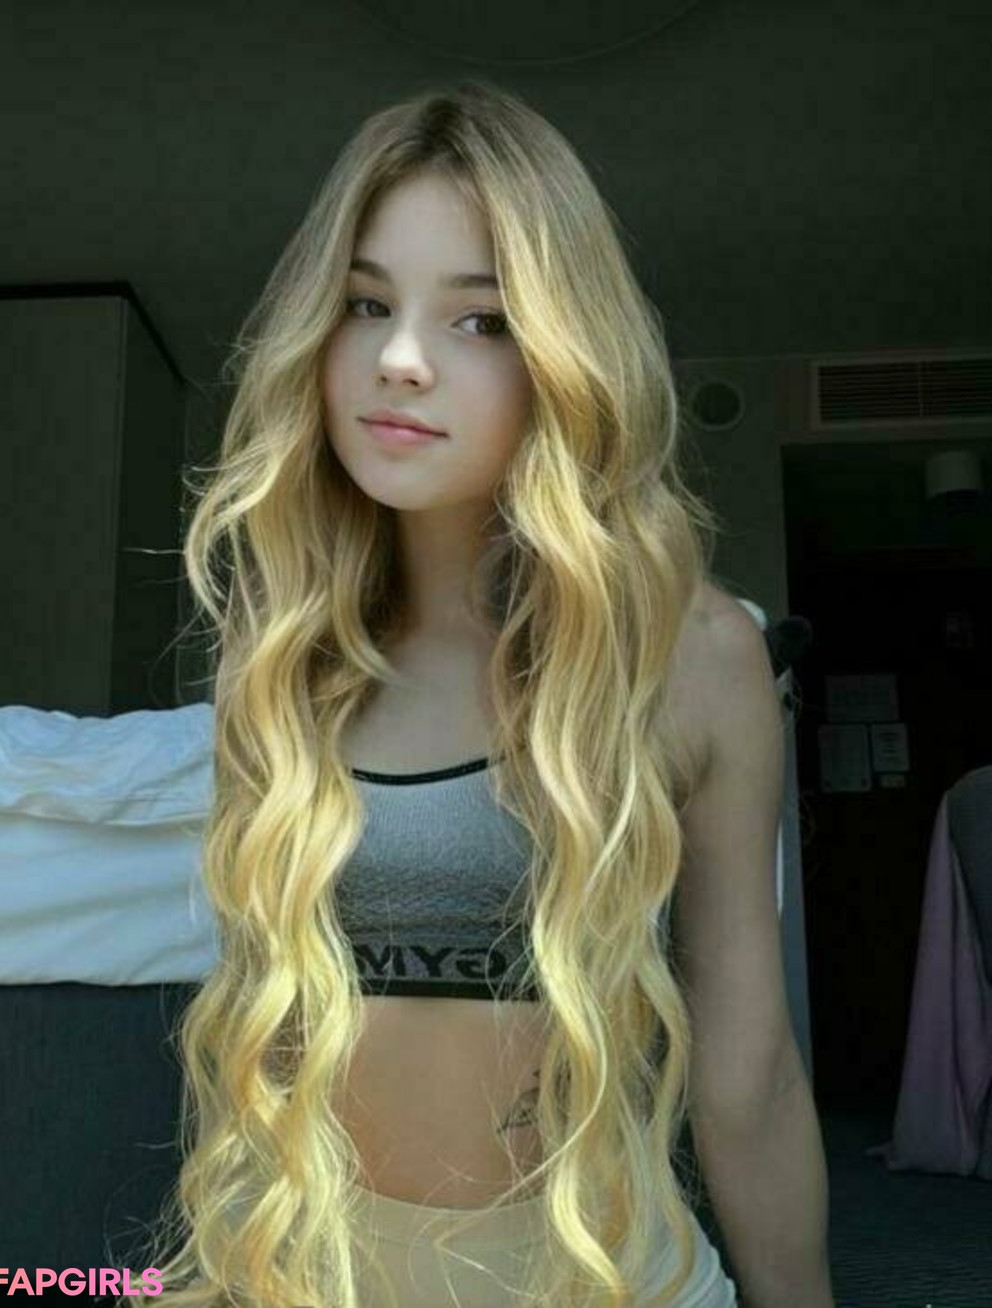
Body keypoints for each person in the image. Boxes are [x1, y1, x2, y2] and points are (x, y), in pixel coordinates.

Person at [121, 81, 834, 1308]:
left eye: (480, 320)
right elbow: (270, 1032)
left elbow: (749, 1070)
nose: (400, 360)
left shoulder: (692, 655)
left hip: (595, 1273)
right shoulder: (280, 649)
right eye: (366, 304)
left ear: (563, 353)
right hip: (306, 1267)